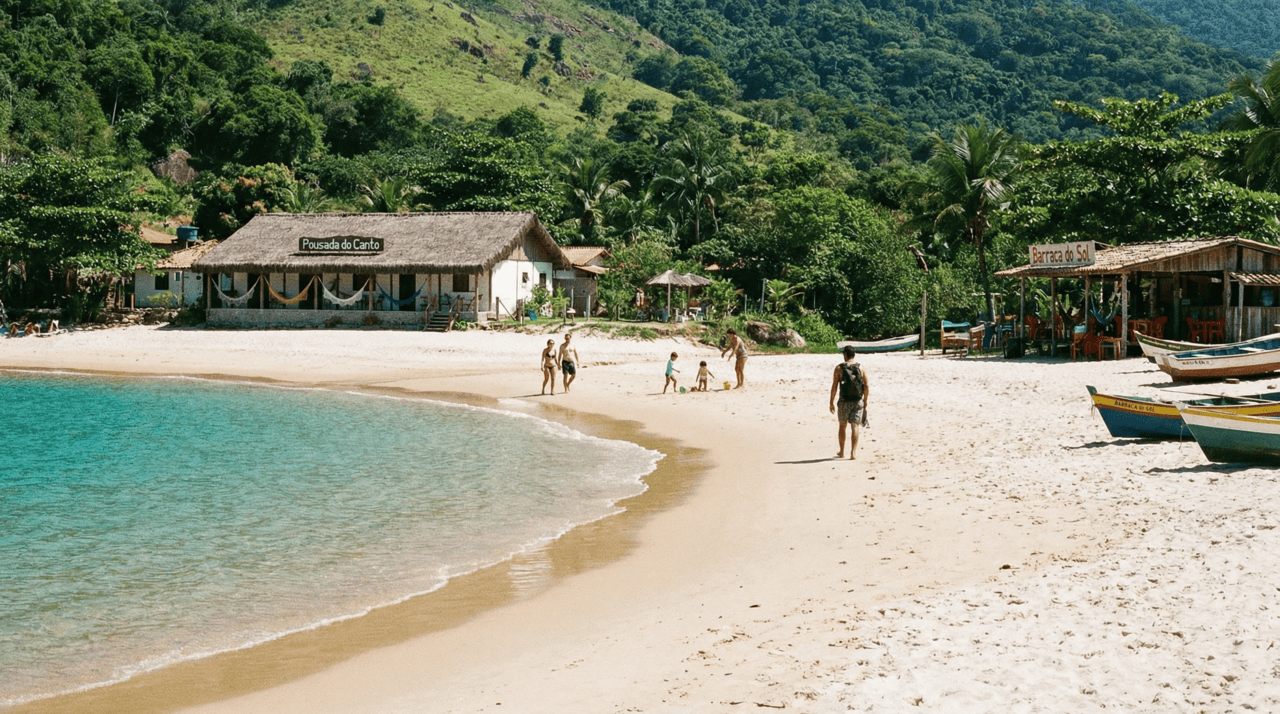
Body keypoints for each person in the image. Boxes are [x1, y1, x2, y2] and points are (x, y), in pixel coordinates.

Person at [828, 344, 869, 460]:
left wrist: (831, 401)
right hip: (857, 401)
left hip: (844, 401)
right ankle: (853, 453)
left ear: (845, 355)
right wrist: (865, 400)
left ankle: (841, 451)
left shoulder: (839, 368)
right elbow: (867, 385)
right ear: (854, 355)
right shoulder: (861, 368)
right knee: (855, 426)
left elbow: (834, 386)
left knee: (842, 425)